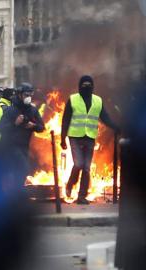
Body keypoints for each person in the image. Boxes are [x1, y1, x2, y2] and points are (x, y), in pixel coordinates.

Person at [61, 75, 120, 204]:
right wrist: (62, 138)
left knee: (86, 168)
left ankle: (81, 197)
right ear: (79, 86)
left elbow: (105, 117)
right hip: (75, 136)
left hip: (90, 137)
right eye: (84, 85)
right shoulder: (73, 99)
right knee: (78, 164)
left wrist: (116, 127)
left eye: (89, 85)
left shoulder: (98, 101)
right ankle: (70, 184)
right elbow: (65, 120)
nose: (87, 87)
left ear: (93, 86)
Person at [0, 83, 44, 184]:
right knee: (22, 168)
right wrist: (15, 123)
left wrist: (34, 126)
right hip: (10, 146)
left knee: (20, 172)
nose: (29, 98)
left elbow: (41, 127)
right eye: (26, 95)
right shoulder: (10, 110)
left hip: (25, 146)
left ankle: (17, 192)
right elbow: (1, 127)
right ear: (19, 95)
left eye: (30, 95)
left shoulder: (33, 110)